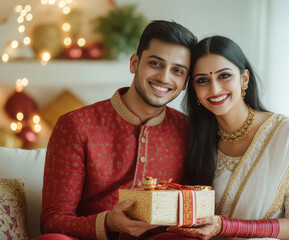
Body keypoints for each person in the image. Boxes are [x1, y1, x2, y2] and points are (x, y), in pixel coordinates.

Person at [168, 36, 289, 239]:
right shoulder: (196, 141)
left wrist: (226, 226)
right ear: (194, 90)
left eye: (224, 76)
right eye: (203, 80)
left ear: (244, 79)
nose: (214, 89)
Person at [38, 20, 198, 240]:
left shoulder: (187, 129)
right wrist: (108, 222)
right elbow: (52, 221)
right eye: (155, 63)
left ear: (185, 81)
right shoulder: (76, 125)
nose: (164, 77)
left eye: (177, 71)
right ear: (134, 63)